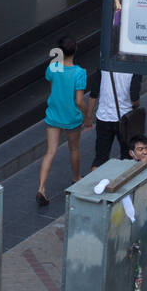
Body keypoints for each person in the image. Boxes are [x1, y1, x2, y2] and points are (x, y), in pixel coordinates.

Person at [36, 36, 88, 206]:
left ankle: (41, 188)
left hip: (54, 114)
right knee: (74, 149)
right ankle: (76, 177)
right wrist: (88, 115)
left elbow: (52, 89)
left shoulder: (53, 67)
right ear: (75, 50)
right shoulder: (80, 73)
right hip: (71, 117)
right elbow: (79, 101)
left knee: (50, 151)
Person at [86, 69, 143, 166]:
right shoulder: (134, 67)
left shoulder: (104, 65)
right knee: (127, 156)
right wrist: (136, 105)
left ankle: (96, 179)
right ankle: (124, 179)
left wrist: (88, 117)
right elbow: (134, 97)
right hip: (125, 119)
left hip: (103, 117)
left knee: (100, 158)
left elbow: (94, 93)